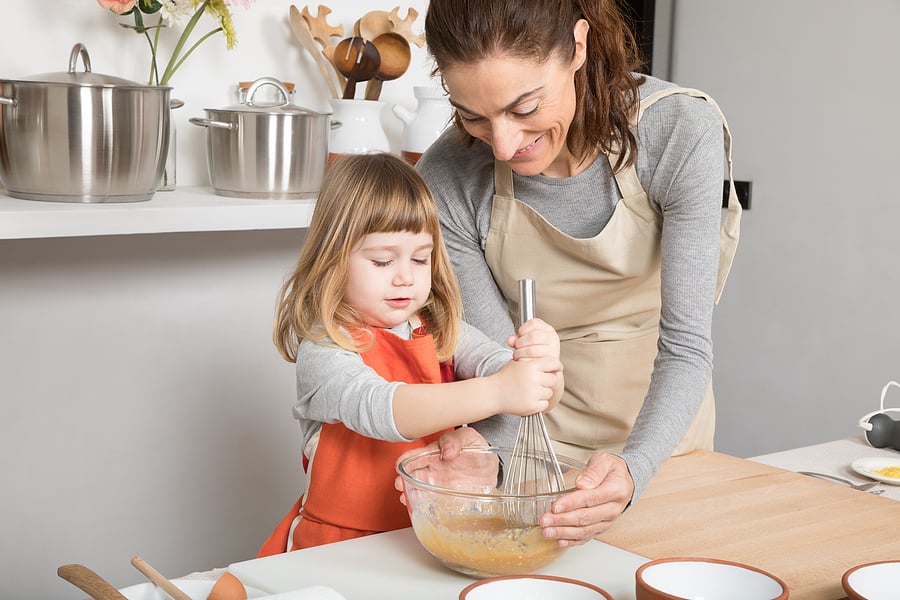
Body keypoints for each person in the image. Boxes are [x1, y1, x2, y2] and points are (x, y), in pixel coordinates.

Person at [410, 0, 742, 546]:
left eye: (525, 107)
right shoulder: (449, 172)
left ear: (579, 47)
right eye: (470, 114)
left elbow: (685, 345)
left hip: (663, 440)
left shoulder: (678, 129)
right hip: (529, 443)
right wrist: (486, 461)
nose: (502, 144)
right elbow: (497, 361)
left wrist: (634, 468)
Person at [256, 153, 564, 556]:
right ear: (333, 259)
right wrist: (500, 391)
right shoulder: (326, 348)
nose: (406, 276)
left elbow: (518, 382)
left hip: (433, 536)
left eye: (421, 258)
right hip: (338, 548)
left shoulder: (440, 331)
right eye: (383, 260)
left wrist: (542, 367)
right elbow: (383, 409)